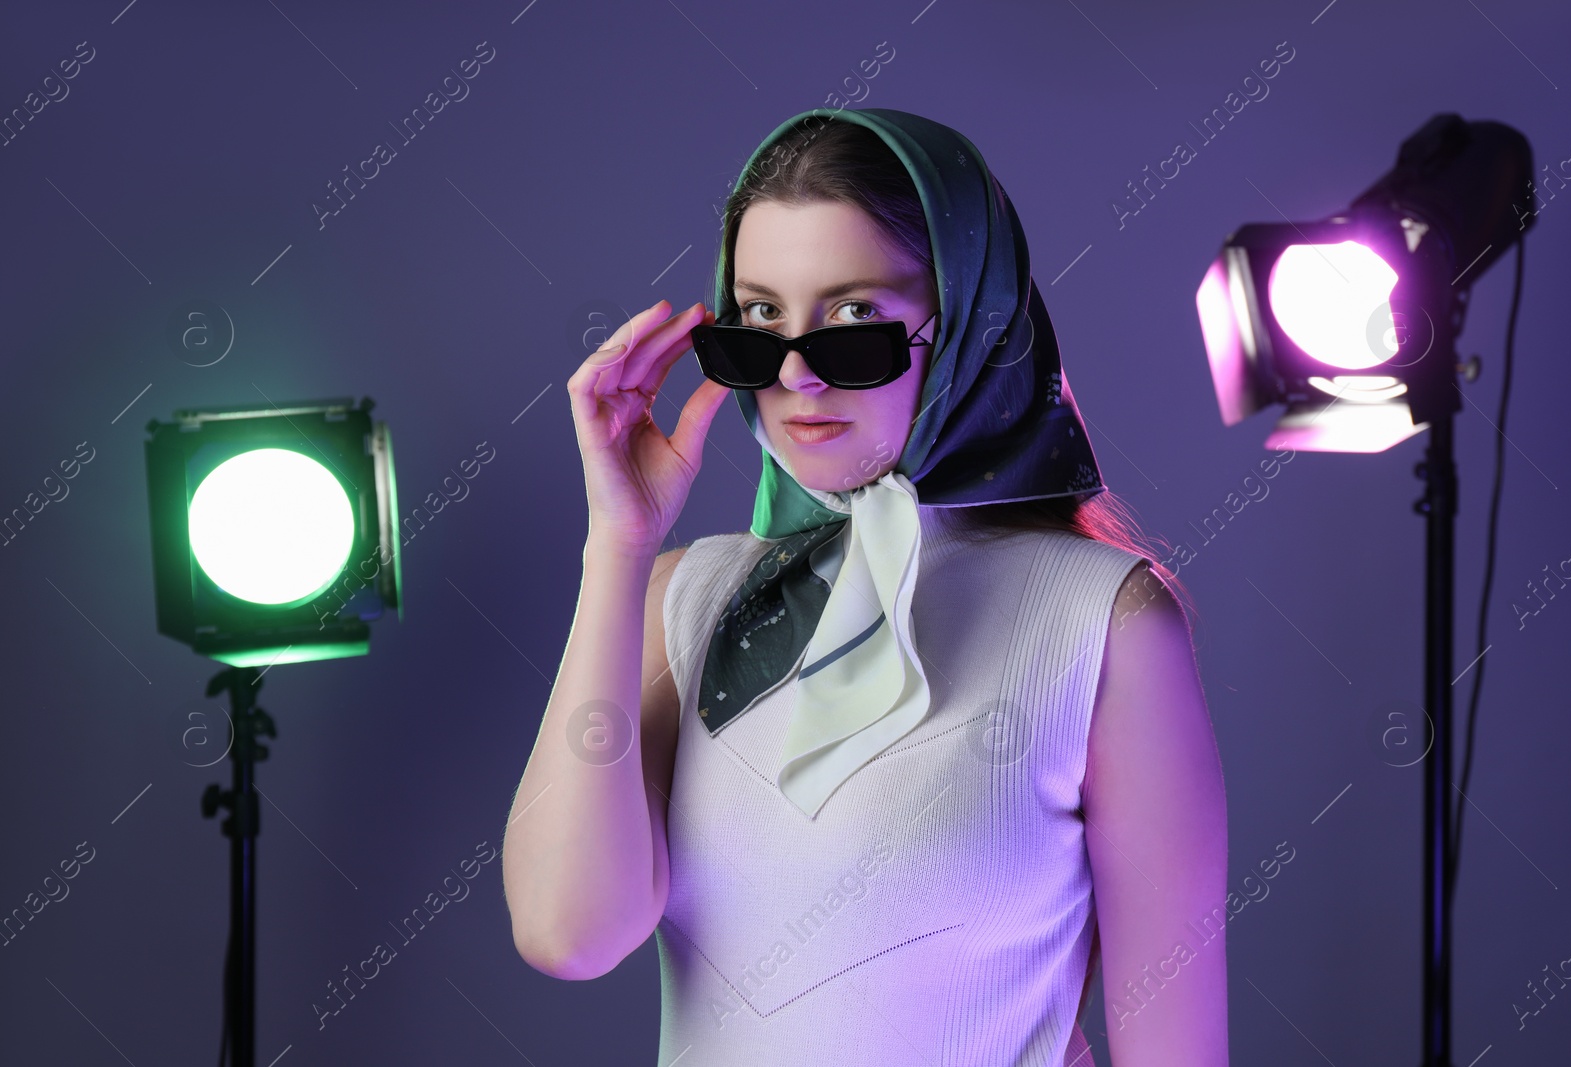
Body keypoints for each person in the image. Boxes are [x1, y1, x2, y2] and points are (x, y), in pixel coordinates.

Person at [503, 107, 1228, 1067]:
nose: (799, 380)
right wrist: (618, 544)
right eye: (759, 321)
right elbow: (570, 933)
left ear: (971, 321)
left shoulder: (1104, 620)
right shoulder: (682, 598)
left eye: (853, 323)